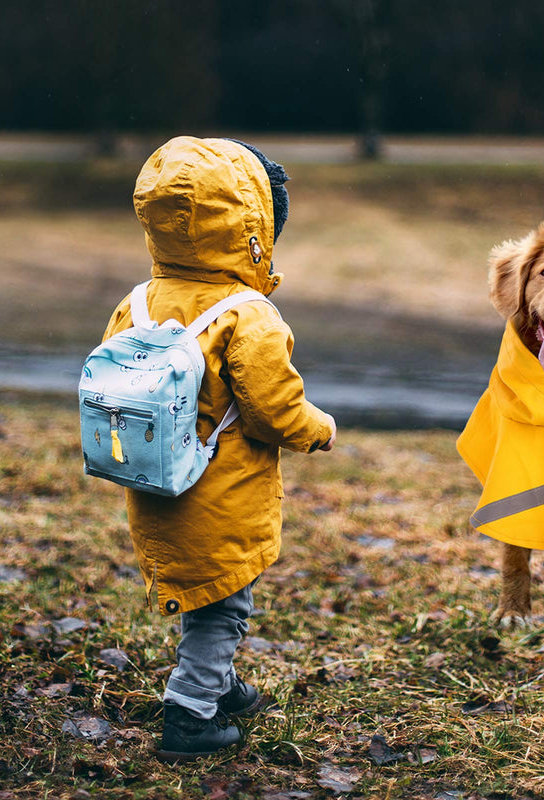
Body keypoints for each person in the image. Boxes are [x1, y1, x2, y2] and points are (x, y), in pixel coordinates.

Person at [102, 136, 336, 761]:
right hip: (221, 493)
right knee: (224, 605)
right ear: (252, 229)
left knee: (207, 592)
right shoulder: (247, 315)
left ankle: (220, 684)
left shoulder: (139, 303)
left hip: (156, 485)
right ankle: (191, 712)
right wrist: (319, 428)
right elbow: (274, 410)